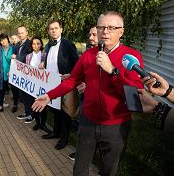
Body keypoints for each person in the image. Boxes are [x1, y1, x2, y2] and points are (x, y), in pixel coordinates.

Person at [32, 11, 144, 175]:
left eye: (111, 27)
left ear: (121, 31)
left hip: (116, 124)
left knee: (108, 170)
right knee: (79, 168)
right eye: (101, 27)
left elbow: (135, 93)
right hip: (88, 122)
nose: (105, 31)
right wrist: (49, 95)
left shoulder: (131, 56)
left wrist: (112, 71)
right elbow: (72, 81)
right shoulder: (88, 55)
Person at [39, 20, 79, 150]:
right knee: (55, 110)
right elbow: (44, 58)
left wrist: (71, 74)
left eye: (56, 28)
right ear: (48, 31)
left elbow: (78, 64)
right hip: (51, 82)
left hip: (64, 83)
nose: (53, 30)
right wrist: (42, 63)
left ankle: (64, 138)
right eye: (51, 29)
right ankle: (55, 132)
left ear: (61, 29)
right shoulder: (48, 45)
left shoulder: (68, 44)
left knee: (65, 112)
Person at [69, 25, 99, 160]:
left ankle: (95, 153)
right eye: (89, 35)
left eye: (94, 34)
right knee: (83, 125)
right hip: (86, 98)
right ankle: (83, 152)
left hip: (100, 103)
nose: (90, 38)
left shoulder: (108, 56)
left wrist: (89, 86)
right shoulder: (89, 52)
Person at [25, 36, 50, 130]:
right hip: (32, 84)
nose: (36, 46)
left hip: (42, 84)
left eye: (38, 43)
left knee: (43, 104)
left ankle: (43, 124)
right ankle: (37, 123)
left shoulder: (45, 55)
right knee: (34, 103)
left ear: (41, 44)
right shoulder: (28, 57)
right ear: (31, 45)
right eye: (34, 44)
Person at [13, 25, 34, 123]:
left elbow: (28, 57)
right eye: (19, 33)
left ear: (26, 33)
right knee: (23, 95)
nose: (20, 35)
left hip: (28, 75)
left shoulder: (30, 44)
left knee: (29, 96)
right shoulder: (17, 45)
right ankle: (27, 112)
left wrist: (16, 57)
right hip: (20, 75)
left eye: (22, 32)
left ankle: (31, 115)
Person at [0, 33, 16, 114]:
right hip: (2, 75)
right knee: (1, 91)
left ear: (7, 39)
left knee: (14, 90)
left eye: (4, 39)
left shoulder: (14, 48)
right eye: (1, 40)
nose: (3, 41)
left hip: (12, 74)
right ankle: (0, 107)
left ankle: (15, 105)